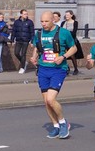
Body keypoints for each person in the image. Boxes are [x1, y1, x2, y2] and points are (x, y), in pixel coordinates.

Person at [29, 10, 77, 139]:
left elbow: (74, 48)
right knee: (46, 101)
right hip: (43, 69)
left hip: (58, 69)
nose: (44, 24)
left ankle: (63, 123)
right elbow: (37, 46)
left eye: (46, 21)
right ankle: (55, 126)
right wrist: (34, 57)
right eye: (42, 21)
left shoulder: (63, 33)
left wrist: (63, 57)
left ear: (53, 20)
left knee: (51, 99)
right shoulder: (39, 33)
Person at [9, 9, 35, 74]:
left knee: (23, 54)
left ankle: (22, 67)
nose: (26, 15)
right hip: (18, 40)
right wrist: (12, 40)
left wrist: (32, 41)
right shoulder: (16, 22)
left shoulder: (30, 22)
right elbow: (14, 31)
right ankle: (24, 62)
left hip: (26, 40)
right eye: (24, 14)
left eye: (26, 14)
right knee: (16, 53)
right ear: (21, 14)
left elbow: (32, 32)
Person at [62, 10, 82, 75]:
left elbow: (74, 32)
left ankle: (76, 69)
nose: (66, 16)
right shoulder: (63, 22)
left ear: (71, 15)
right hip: (63, 41)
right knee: (63, 54)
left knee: (72, 55)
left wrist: (66, 33)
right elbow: (60, 30)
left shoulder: (75, 22)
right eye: (66, 15)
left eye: (68, 15)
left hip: (71, 40)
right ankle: (66, 68)